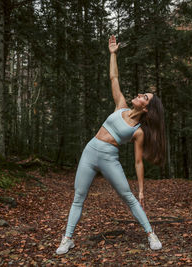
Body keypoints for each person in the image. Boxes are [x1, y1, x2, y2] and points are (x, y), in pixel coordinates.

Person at [56, 35, 166, 255]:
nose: (139, 94)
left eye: (144, 96)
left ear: (146, 108)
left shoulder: (139, 132)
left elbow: (137, 162)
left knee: (129, 197)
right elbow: (113, 77)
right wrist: (113, 54)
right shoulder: (121, 106)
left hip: (108, 158)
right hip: (90, 150)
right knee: (79, 196)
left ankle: (151, 234)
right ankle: (67, 239)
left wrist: (142, 189)